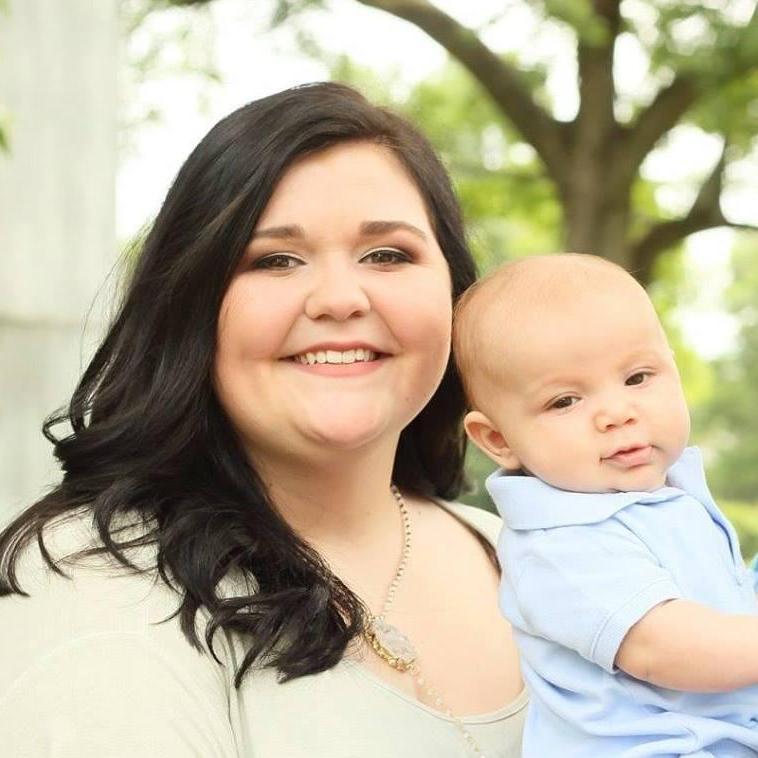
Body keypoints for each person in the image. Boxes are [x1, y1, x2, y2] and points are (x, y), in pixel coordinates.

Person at [0, 82, 527, 757]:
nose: (340, 298)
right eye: (275, 260)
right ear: (191, 304)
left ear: (454, 292)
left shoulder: (527, 550)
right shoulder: (98, 589)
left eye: (388, 254)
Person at [452, 252, 758, 757]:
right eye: (565, 401)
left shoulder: (665, 498)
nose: (618, 412)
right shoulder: (558, 545)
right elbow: (667, 648)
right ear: (499, 439)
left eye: (637, 378)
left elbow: (725, 604)